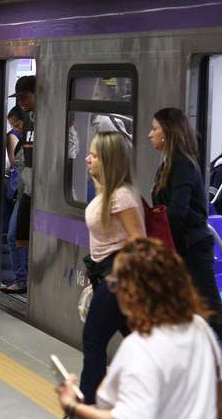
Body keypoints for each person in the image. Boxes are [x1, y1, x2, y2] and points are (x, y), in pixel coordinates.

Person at [149, 107, 222, 400]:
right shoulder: (168, 164)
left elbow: (178, 211)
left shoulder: (183, 165)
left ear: (168, 132)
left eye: (154, 129)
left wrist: (153, 229)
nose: (150, 135)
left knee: (212, 311)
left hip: (193, 251)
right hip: (181, 250)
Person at [56, 238, 222, 419]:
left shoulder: (140, 347)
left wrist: (72, 406)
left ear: (133, 294)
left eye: (115, 285)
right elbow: (220, 402)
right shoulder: (199, 327)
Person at [79, 132, 145, 403]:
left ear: (108, 160)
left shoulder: (122, 197)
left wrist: (116, 276)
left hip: (117, 279)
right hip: (104, 276)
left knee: (93, 341)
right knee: (141, 343)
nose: (87, 159)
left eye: (93, 155)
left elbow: (140, 241)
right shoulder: (106, 192)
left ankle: (83, 407)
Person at [3, 106, 27, 294]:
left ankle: (22, 279)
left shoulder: (26, 140)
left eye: (17, 125)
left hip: (26, 194)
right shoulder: (21, 140)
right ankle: (23, 278)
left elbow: (14, 164)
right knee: (16, 236)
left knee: (14, 236)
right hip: (21, 193)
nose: (15, 129)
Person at [12, 76, 36, 251]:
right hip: (28, 190)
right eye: (18, 98)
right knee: (18, 238)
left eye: (25, 97)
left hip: (40, 190)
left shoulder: (49, 119)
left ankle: (23, 279)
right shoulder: (27, 119)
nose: (21, 102)